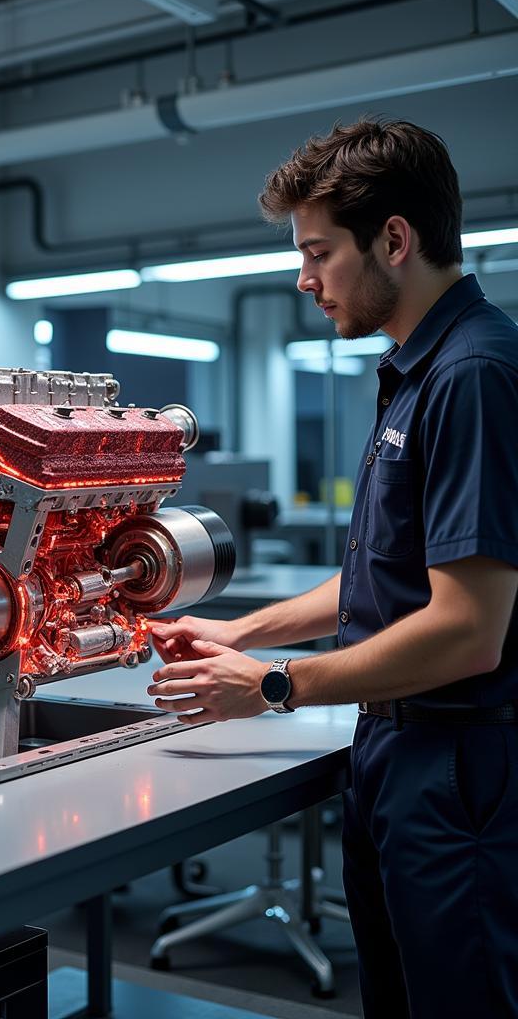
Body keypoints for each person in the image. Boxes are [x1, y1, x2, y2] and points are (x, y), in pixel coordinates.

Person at [149, 118, 518, 1017]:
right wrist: (242, 632)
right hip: (394, 751)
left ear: (395, 239)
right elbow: (384, 581)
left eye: (319, 252)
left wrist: (275, 685)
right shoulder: (414, 369)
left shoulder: (474, 373)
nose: (304, 278)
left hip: (456, 765)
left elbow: (468, 630)